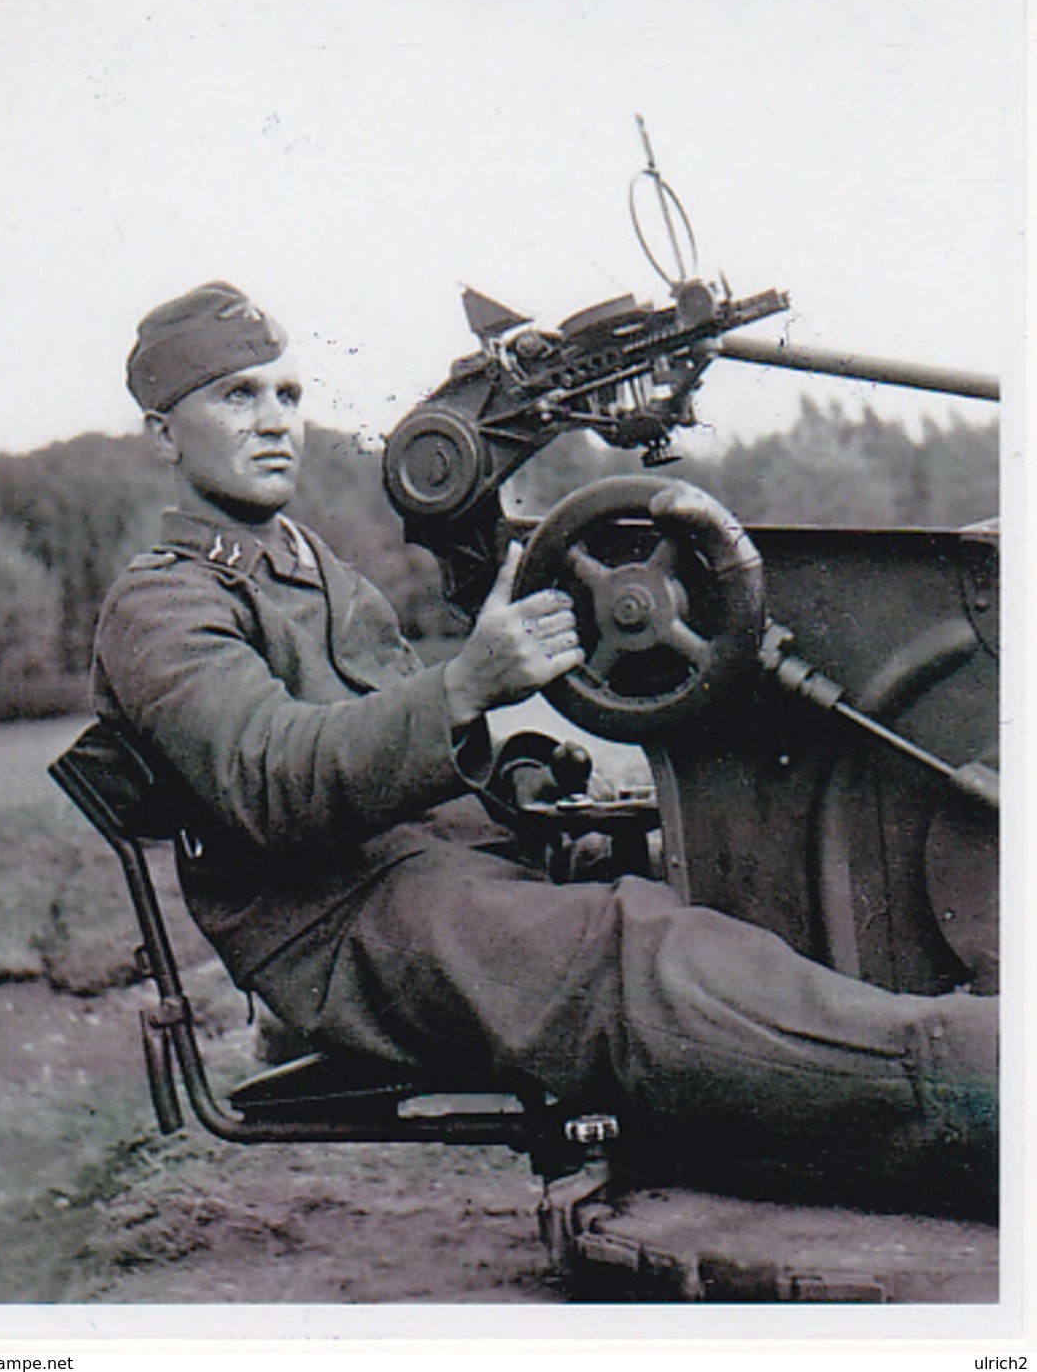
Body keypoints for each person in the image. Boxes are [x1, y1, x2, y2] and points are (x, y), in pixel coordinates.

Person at [92, 281, 996, 1213]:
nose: (274, 421)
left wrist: (516, 773)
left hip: (425, 871)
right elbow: (271, 780)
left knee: (717, 872)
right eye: (236, 396)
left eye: (287, 394)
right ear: (164, 433)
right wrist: (466, 683)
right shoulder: (163, 604)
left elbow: (383, 742)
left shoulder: (310, 566)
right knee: (630, 955)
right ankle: (977, 1077)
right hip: (342, 923)